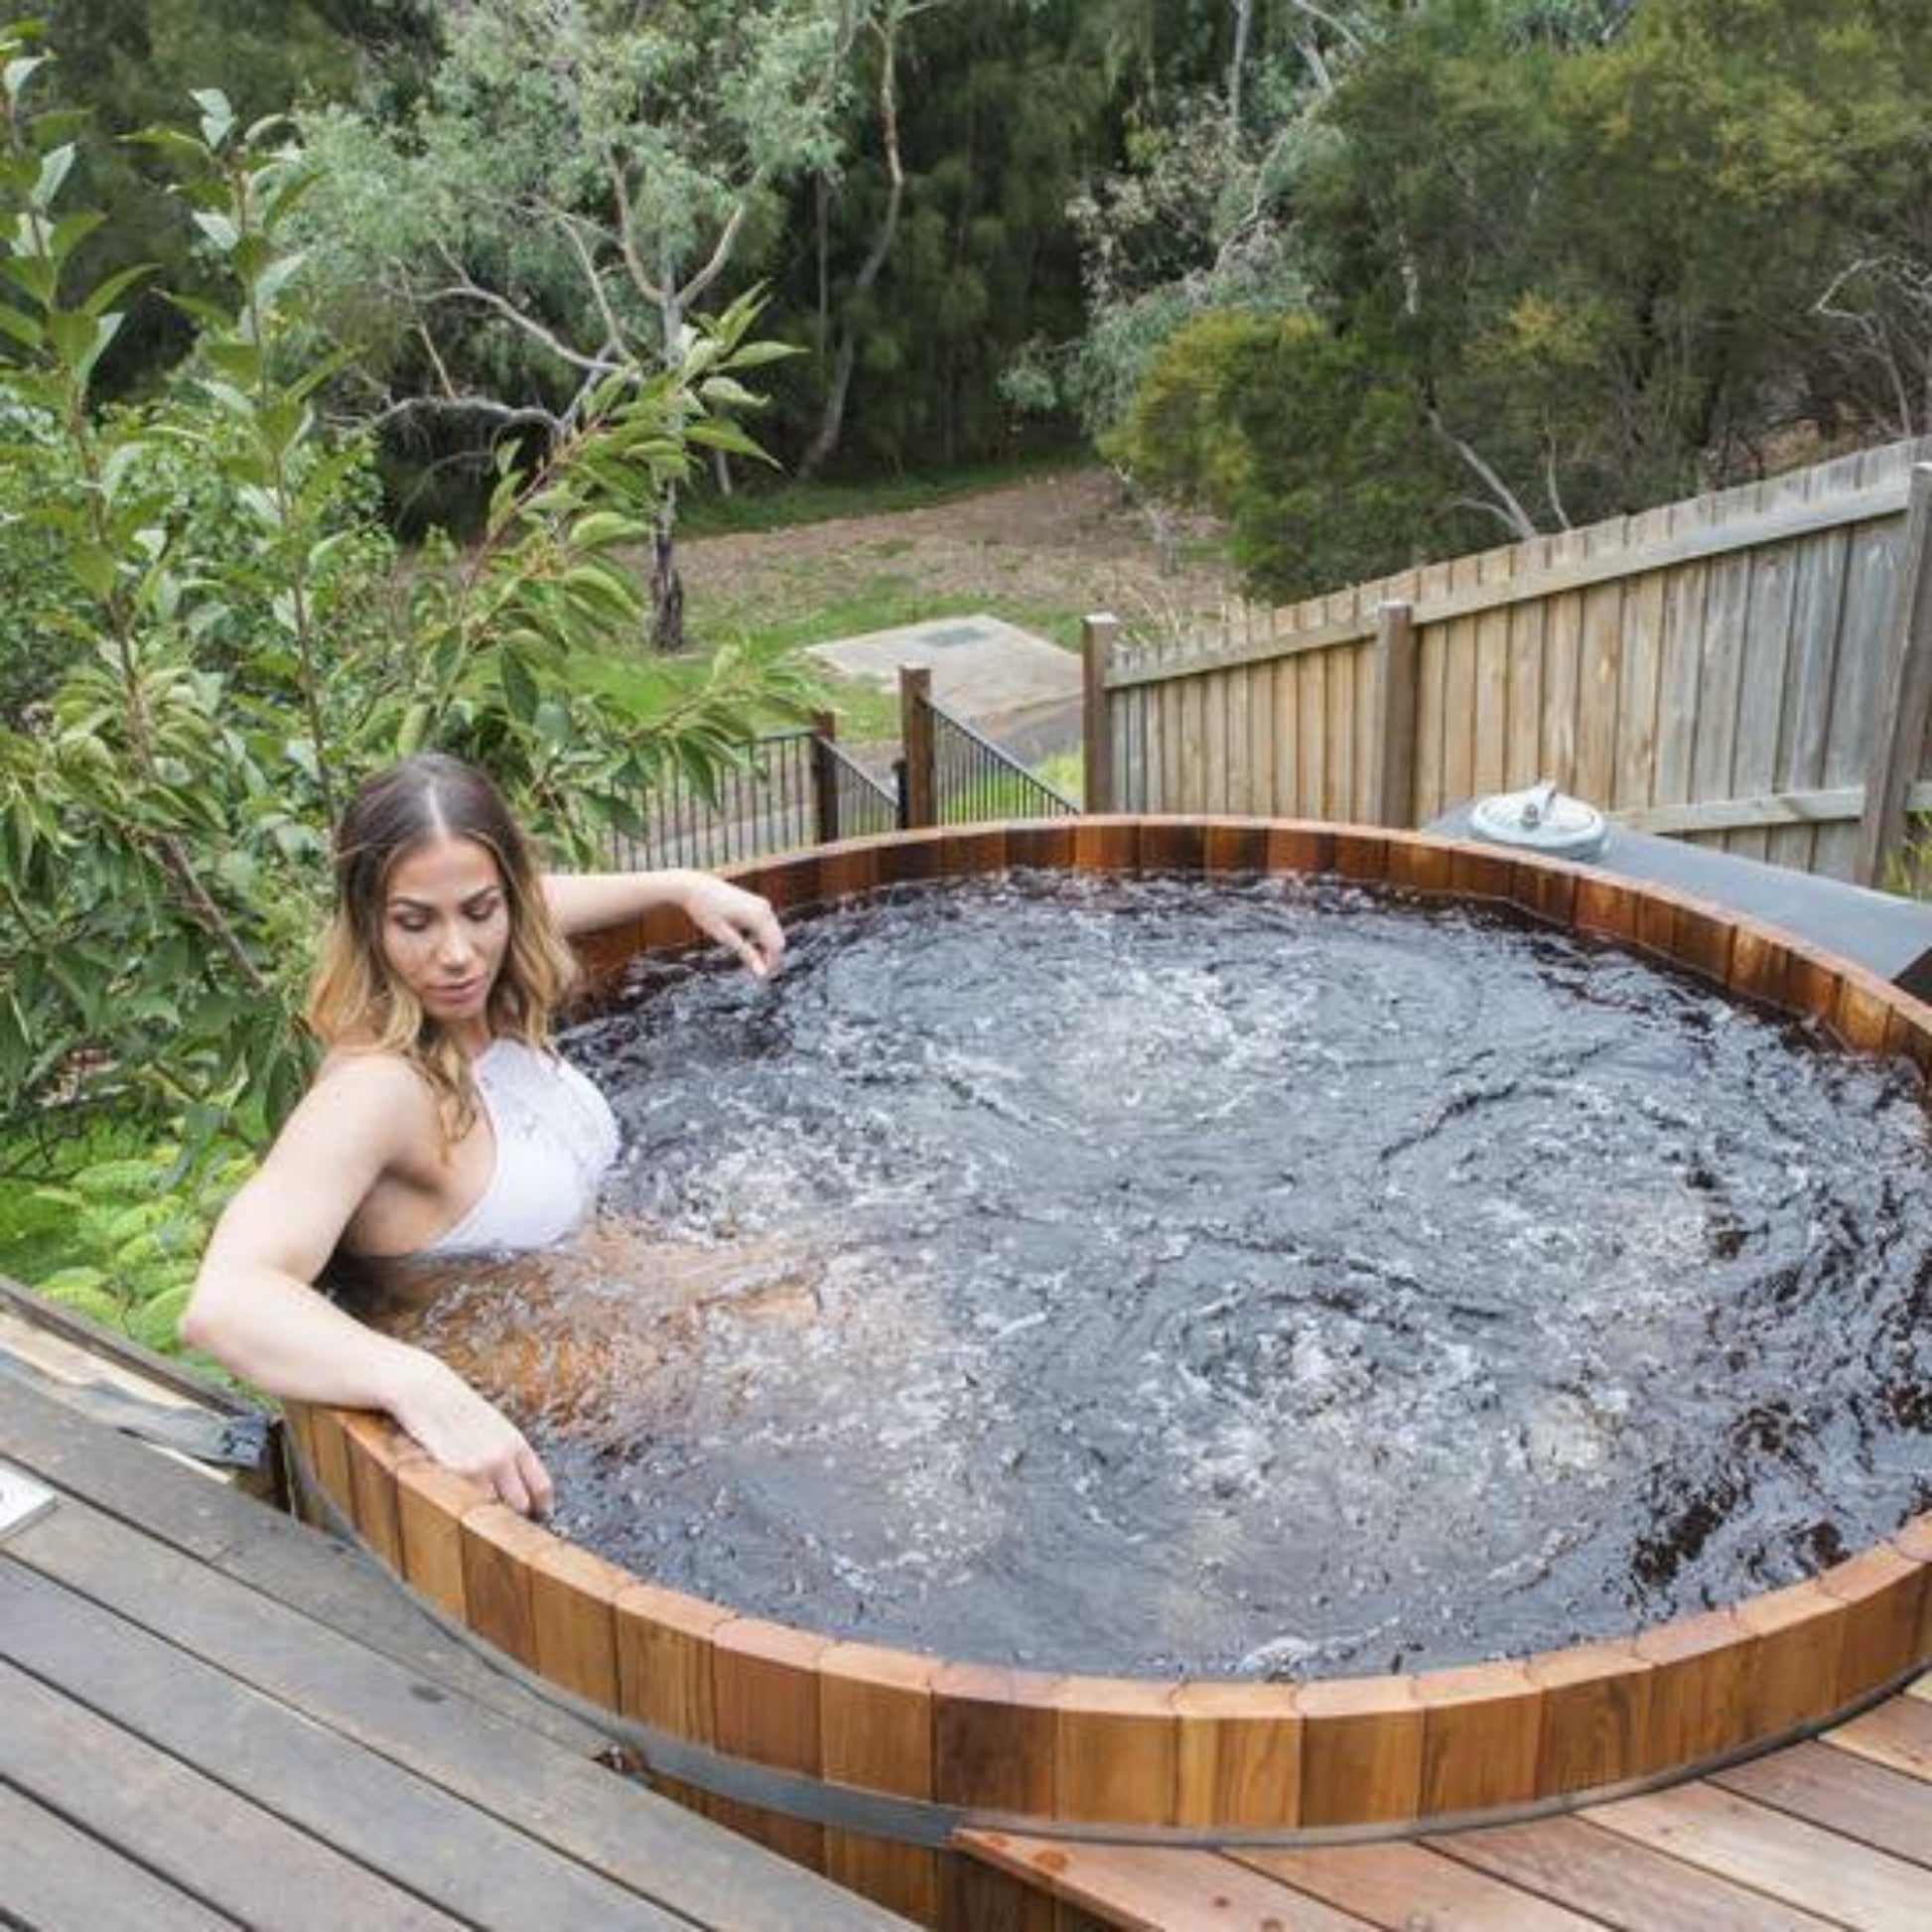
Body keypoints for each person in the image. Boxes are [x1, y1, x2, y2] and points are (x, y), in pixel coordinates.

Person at [180, 753, 784, 1517]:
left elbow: (528, 900)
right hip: (563, 1402)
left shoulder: (483, 998)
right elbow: (224, 1300)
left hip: (632, 1299)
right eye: (414, 922)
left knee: (859, 1303)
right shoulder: (378, 1089)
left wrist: (678, 885)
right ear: (367, 921)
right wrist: (416, 1382)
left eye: (479, 911)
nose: (457, 953)